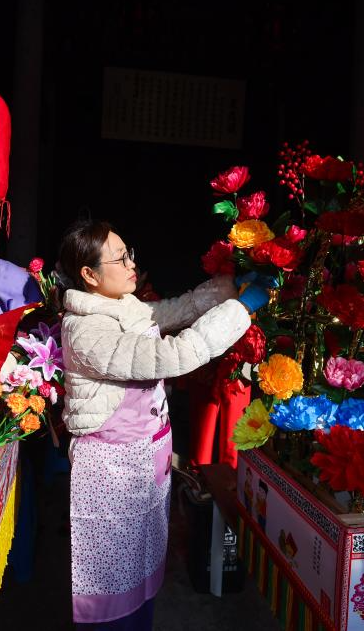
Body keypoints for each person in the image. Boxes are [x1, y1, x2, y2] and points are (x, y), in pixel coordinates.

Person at [58, 219, 272, 629]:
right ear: (89, 274)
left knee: (142, 562)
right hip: (112, 470)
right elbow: (172, 356)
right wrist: (240, 309)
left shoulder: (123, 305)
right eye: (119, 259)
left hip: (146, 456)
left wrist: (229, 287)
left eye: (129, 253)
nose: (131, 264)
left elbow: (175, 310)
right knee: (112, 575)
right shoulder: (86, 329)